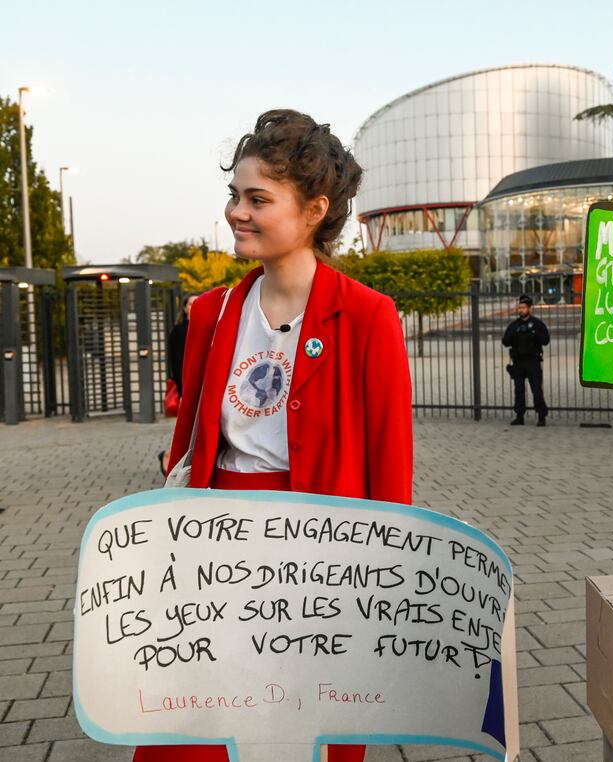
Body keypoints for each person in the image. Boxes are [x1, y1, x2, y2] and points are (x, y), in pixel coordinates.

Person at [142, 110, 412, 762]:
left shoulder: (369, 317)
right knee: (198, 729)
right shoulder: (210, 312)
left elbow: (390, 468)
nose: (238, 212)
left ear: (315, 209)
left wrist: (384, 586)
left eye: (258, 199)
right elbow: (188, 449)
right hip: (217, 551)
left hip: (322, 556)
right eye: (235, 195)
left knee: (302, 729)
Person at [159, 293, 199, 476]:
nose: (194, 306)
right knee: (185, 430)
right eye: (191, 304)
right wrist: (183, 392)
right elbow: (177, 364)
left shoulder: (210, 326)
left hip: (202, 387)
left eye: (197, 303)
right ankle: (169, 457)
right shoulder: (178, 331)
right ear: (185, 308)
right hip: (187, 387)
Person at [502, 294, 550, 426]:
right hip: (518, 362)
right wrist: (514, 334)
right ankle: (519, 415)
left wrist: (534, 333)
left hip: (532, 362)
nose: (520, 310)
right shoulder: (514, 325)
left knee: (536, 389)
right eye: (519, 308)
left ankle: (541, 416)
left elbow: (546, 340)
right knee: (518, 390)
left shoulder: (536, 324)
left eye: (523, 308)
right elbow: (505, 341)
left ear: (529, 308)